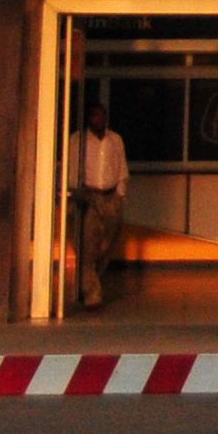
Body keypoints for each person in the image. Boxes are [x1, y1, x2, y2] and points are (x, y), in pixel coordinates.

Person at [69, 102, 130, 309]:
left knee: (106, 244)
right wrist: (75, 193)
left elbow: (121, 167)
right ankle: (92, 294)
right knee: (87, 245)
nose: (99, 120)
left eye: (102, 116)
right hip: (90, 196)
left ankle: (89, 279)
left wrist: (120, 195)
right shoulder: (78, 140)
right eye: (95, 116)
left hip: (110, 196)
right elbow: (71, 167)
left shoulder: (115, 140)